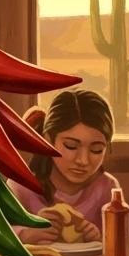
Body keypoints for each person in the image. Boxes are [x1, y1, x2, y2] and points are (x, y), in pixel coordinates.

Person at [9, 89, 120, 245]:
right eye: (71, 146)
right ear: (48, 140)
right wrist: (25, 235)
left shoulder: (107, 187)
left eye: (96, 150)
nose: (83, 161)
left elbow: (119, 243)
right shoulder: (22, 186)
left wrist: (100, 239)